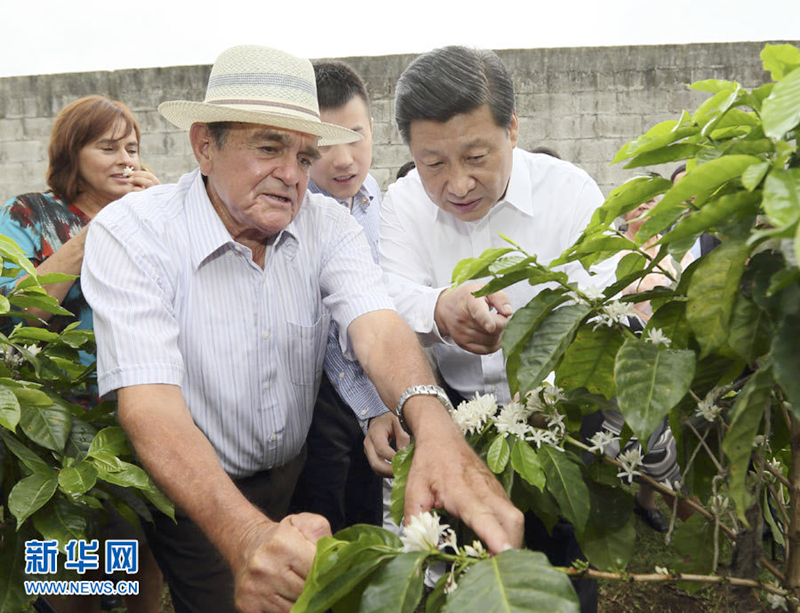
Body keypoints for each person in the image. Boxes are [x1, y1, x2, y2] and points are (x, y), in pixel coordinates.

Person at [81, 45, 523, 613]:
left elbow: (378, 327)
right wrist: (245, 537)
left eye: (304, 156)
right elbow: (150, 406)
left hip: (292, 476)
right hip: (193, 491)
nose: (292, 176)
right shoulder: (135, 232)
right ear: (204, 146)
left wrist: (435, 429)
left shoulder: (327, 225)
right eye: (269, 148)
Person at [375, 45, 617, 613]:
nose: (457, 184)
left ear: (512, 129)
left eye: (476, 156)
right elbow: (387, 296)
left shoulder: (571, 193)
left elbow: (608, 297)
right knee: (456, 575)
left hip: (559, 425)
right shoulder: (403, 204)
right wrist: (442, 309)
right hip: (452, 427)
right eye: (433, 163)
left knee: (565, 568)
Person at [0, 95, 162, 613]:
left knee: (134, 561)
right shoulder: (28, 214)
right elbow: (17, 312)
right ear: (72, 155)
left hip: (139, 417)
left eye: (132, 148)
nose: (125, 160)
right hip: (56, 426)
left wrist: (169, 221)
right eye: (107, 147)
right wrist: (96, 235)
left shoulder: (150, 213)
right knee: (68, 568)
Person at [289, 60, 394, 532]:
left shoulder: (376, 197)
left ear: (372, 127)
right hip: (321, 396)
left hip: (377, 382)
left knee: (369, 510)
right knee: (325, 523)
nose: (344, 158)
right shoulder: (295, 212)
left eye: (354, 135)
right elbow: (327, 329)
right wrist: (370, 405)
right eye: (325, 143)